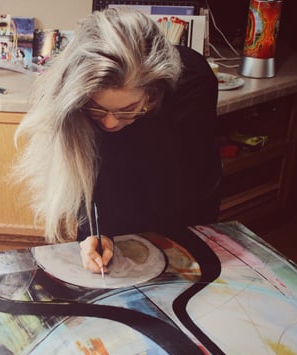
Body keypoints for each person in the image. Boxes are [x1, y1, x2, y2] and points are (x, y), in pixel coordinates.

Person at [12, 8, 221, 275]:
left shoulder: (192, 83)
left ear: (153, 93)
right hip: (116, 211)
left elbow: (184, 183)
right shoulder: (74, 100)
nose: (110, 123)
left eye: (127, 108)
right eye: (97, 109)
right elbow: (83, 173)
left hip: (184, 207)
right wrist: (96, 234)